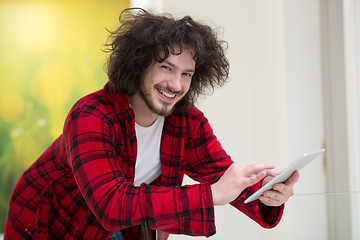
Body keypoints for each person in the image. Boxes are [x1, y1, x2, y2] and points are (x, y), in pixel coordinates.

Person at [4, 8, 299, 240]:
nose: (175, 83)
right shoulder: (91, 114)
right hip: (50, 226)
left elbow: (223, 177)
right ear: (139, 63)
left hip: (122, 229)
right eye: (166, 67)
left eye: (187, 73)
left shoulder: (188, 123)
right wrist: (210, 195)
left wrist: (267, 194)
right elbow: (111, 204)